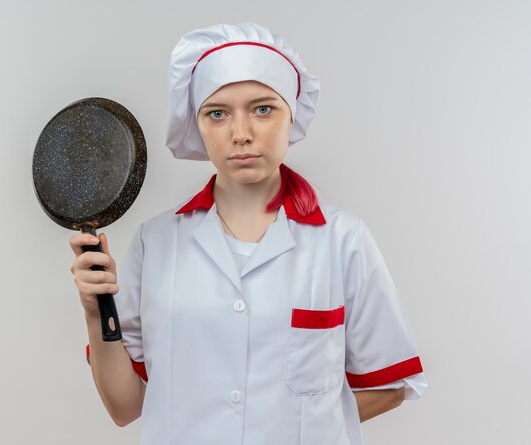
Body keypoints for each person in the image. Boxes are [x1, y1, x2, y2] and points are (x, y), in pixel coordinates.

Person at [69, 22, 427, 445]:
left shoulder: (343, 239)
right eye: (217, 113)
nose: (241, 133)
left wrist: (296, 424)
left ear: (291, 113)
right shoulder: (157, 242)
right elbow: (125, 408)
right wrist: (95, 313)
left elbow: (388, 384)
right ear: (198, 125)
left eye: (262, 109)